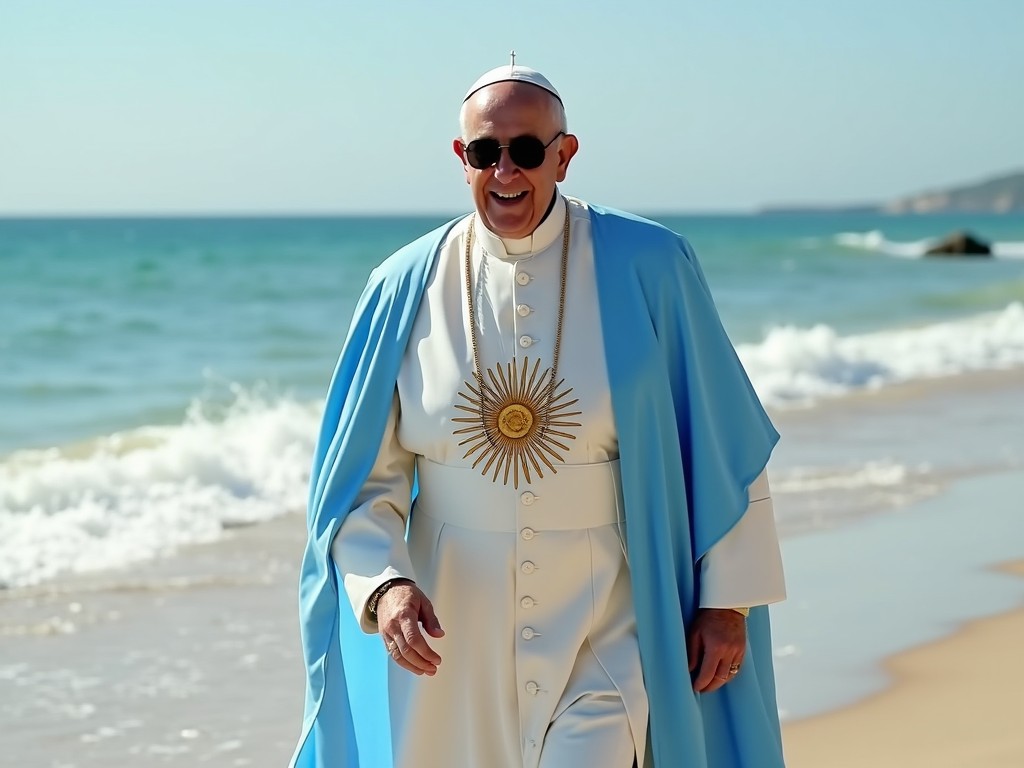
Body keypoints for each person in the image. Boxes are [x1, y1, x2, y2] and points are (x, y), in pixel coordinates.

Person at [291, 60, 787, 768]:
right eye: (486, 153)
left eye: (527, 151)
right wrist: (386, 585)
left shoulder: (651, 264)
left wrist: (728, 601)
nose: (506, 172)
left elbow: (720, 438)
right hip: (452, 637)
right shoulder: (401, 285)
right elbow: (362, 482)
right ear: (461, 158)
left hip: (608, 622)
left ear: (565, 153)